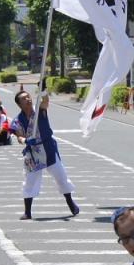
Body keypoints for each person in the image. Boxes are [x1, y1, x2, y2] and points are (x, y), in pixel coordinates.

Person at [11, 89, 80, 220]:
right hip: (33, 153)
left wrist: (43, 91)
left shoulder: (39, 111)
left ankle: (70, 202)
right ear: (19, 104)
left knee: (61, 177)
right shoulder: (17, 121)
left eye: (28, 96)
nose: (28, 99)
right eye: (24, 99)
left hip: (48, 148)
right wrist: (26, 140)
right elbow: (19, 137)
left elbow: (45, 101)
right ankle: (27, 212)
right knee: (29, 182)